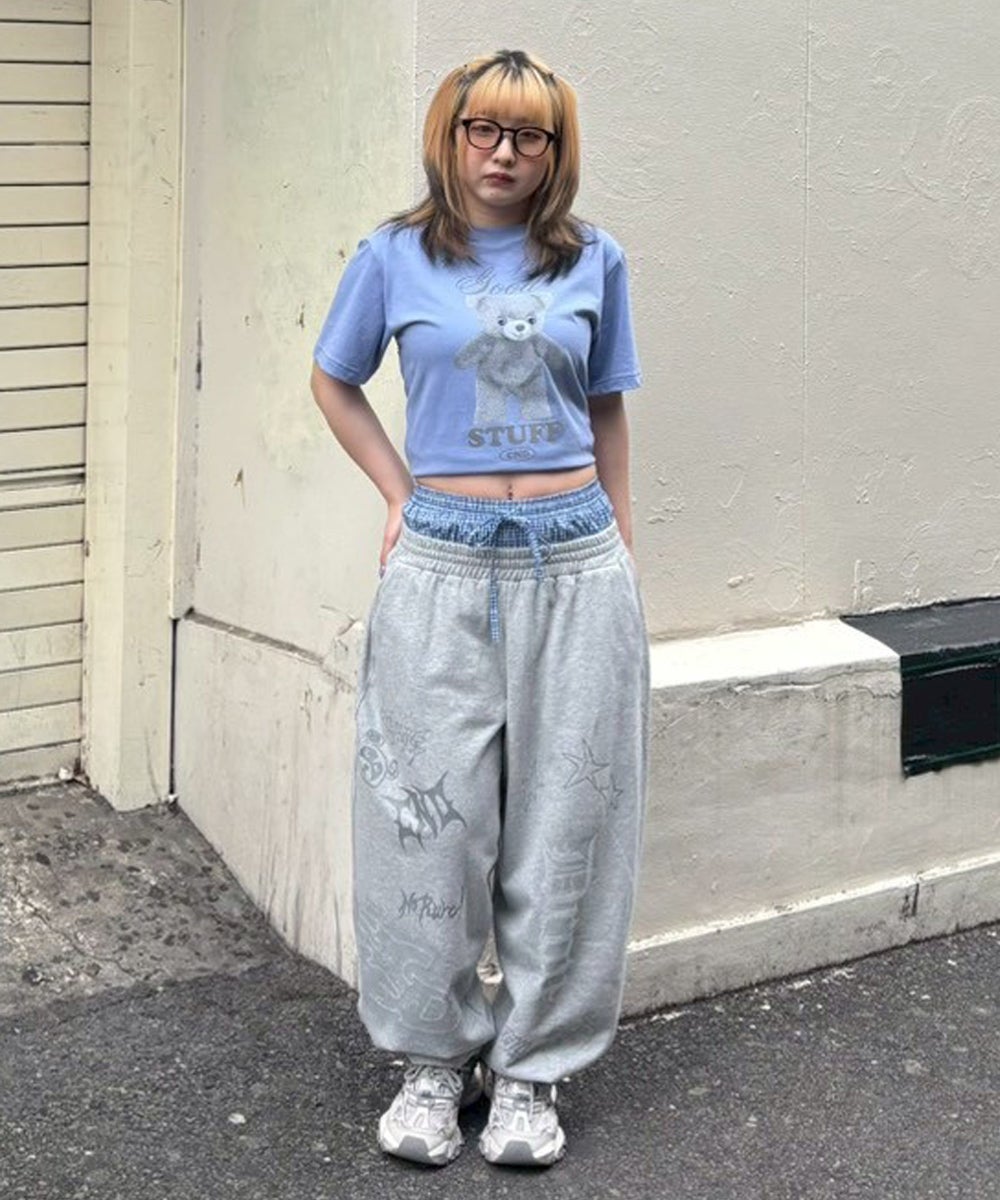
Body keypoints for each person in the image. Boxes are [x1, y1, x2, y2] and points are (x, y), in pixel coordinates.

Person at [310, 48, 648, 1169]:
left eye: (529, 134)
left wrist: (623, 554)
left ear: (555, 150)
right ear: (450, 136)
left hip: (574, 562)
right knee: (427, 821)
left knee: (567, 823)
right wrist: (397, 493)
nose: (504, 152)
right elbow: (333, 379)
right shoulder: (393, 256)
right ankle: (431, 1059)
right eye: (484, 130)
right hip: (442, 563)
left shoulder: (593, 259)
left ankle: (531, 1070)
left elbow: (606, 410)